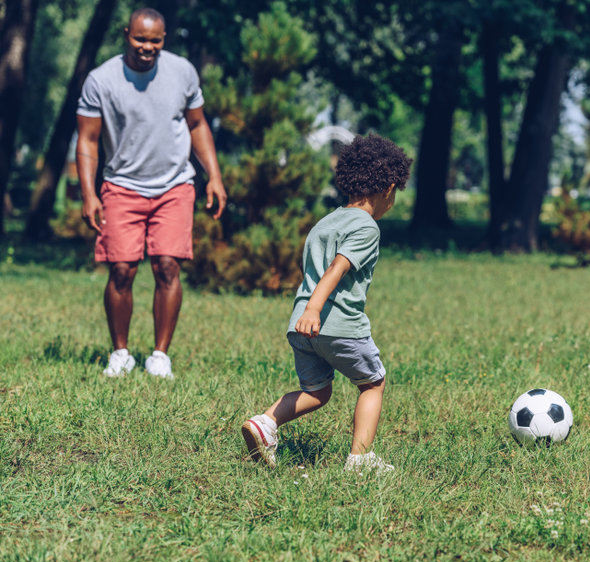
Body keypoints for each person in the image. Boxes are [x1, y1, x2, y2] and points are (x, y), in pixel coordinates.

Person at [241, 134, 412, 473]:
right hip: (335, 323)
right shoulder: (366, 226)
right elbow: (337, 268)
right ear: (389, 189)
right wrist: (315, 309)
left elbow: (310, 268)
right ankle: (360, 459)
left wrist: (306, 311)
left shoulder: (325, 223)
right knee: (372, 383)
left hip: (301, 327)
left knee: (317, 392)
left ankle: (265, 422)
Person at [76, 8, 226, 379]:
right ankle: (121, 353)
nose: (147, 47)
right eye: (139, 39)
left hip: (174, 185)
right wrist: (88, 194)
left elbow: (198, 125)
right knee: (122, 269)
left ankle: (160, 356)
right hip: (122, 186)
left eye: (154, 40)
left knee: (167, 266)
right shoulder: (101, 80)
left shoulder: (182, 72)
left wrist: (214, 176)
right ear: (127, 34)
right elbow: (88, 141)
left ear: (164, 39)